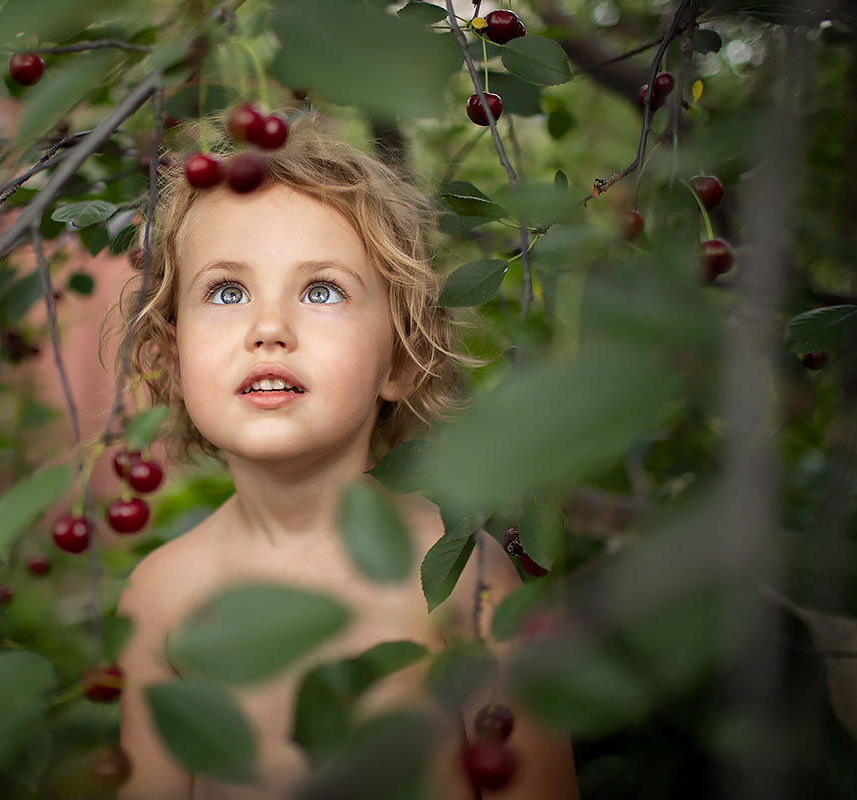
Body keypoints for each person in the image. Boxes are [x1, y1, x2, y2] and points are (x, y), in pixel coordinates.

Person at [113, 114, 578, 799]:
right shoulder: (161, 597)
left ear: (402, 359)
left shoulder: (460, 582)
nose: (269, 329)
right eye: (227, 291)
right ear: (171, 359)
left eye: (322, 290)